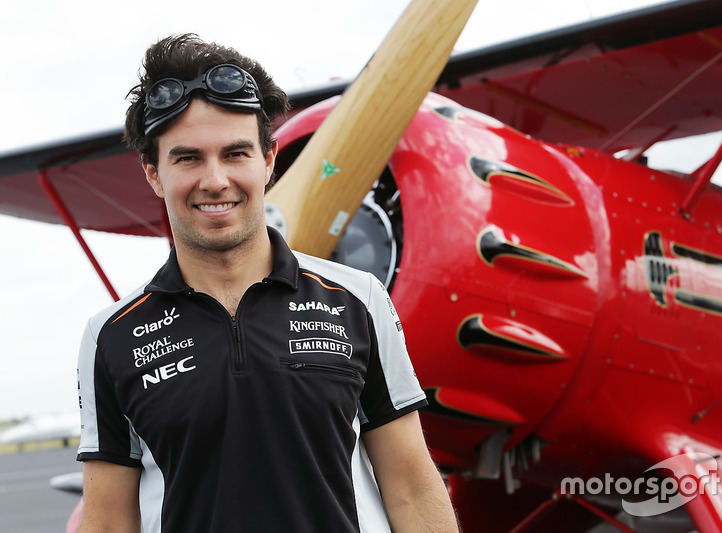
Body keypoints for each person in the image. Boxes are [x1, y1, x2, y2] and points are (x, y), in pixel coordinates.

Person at [76, 33, 459, 532]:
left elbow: (411, 485)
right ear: (153, 174)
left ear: (268, 159)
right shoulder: (111, 335)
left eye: (235, 153)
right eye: (188, 158)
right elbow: (106, 522)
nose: (215, 180)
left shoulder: (358, 300)